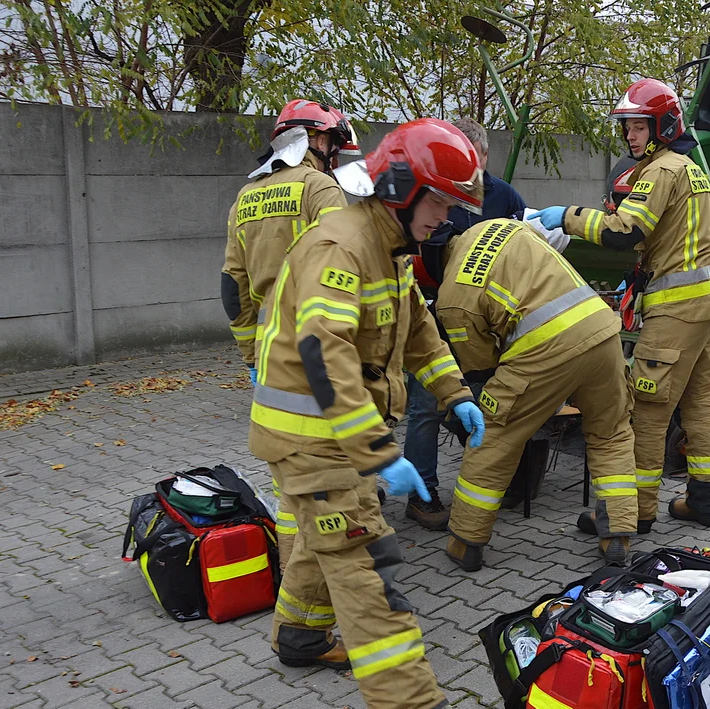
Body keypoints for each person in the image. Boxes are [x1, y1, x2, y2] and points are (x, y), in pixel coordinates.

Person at [248, 118, 486, 707]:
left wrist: (454, 394)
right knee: (368, 574)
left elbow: (418, 332)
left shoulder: (391, 245)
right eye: (439, 202)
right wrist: (378, 453)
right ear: (403, 188)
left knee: (316, 539)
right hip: (314, 441)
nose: (446, 219)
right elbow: (322, 351)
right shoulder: (343, 245)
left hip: (331, 438)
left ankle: (300, 636)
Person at [536, 78, 710, 531]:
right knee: (701, 405)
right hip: (709, 302)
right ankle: (707, 501)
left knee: (647, 408)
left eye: (639, 126)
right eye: (626, 127)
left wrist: (565, 216)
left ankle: (636, 513)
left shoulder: (661, 170)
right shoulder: (691, 168)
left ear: (661, 126)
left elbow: (625, 230)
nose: (630, 136)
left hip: (677, 309)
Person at [436, 217, 636, 570]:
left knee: (493, 437)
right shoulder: (500, 226)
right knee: (611, 432)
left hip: (543, 350)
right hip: (601, 329)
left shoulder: (451, 296)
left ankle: (466, 540)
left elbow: (480, 367)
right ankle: (615, 533)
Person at [221, 98, 359, 571]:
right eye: (332, 142)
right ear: (316, 140)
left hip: (269, 352)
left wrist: (249, 349)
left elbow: (231, 283)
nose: (334, 153)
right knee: (328, 467)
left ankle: (288, 571)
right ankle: (321, 577)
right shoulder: (319, 187)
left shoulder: (246, 195)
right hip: (317, 345)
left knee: (287, 474)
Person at [403, 118, 526, 531]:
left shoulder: (506, 198)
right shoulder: (437, 192)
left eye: (472, 158)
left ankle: (491, 480)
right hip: (434, 316)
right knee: (424, 408)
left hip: (485, 324)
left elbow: (519, 253)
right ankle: (423, 494)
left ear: (486, 156)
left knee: (481, 399)